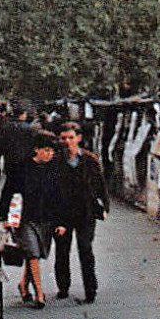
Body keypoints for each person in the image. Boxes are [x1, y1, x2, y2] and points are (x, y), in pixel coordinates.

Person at [0, 131, 59, 309]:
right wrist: (4, 217)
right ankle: (39, 293)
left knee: (35, 254)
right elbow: (7, 193)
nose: (50, 154)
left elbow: (59, 196)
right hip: (24, 219)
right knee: (33, 253)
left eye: (52, 151)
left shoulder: (54, 169)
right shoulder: (21, 168)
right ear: (36, 149)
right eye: (46, 150)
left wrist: (60, 220)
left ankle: (23, 285)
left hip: (46, 219)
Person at [52, 122, 109, 303]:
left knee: (85, 249)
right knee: (62, 251)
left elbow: (100, 185)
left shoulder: (90, 160)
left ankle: (90, 289)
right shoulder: (56, 161)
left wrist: (103, 207)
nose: (67, 141)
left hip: (86, 211)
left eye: (71, 137)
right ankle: (63, 286)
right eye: (64, 138)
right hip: (62, 213)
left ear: (78, 138)